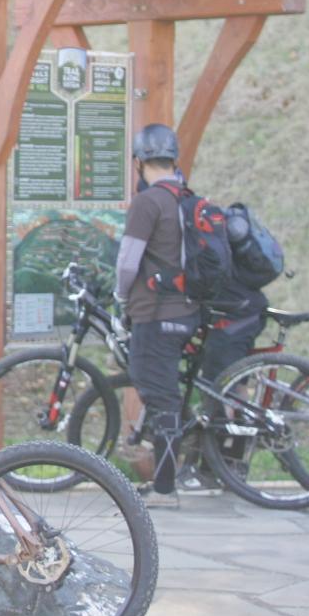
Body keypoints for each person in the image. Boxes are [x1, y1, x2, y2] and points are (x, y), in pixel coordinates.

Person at [113, 123, 197, 508]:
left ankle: (165, 488)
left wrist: (118, 295)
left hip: (156, 312)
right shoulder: (186, 198)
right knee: (169, 392)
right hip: (189, 311)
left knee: (161, 397)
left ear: (138, 162)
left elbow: (128, 262)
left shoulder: (147, 203)